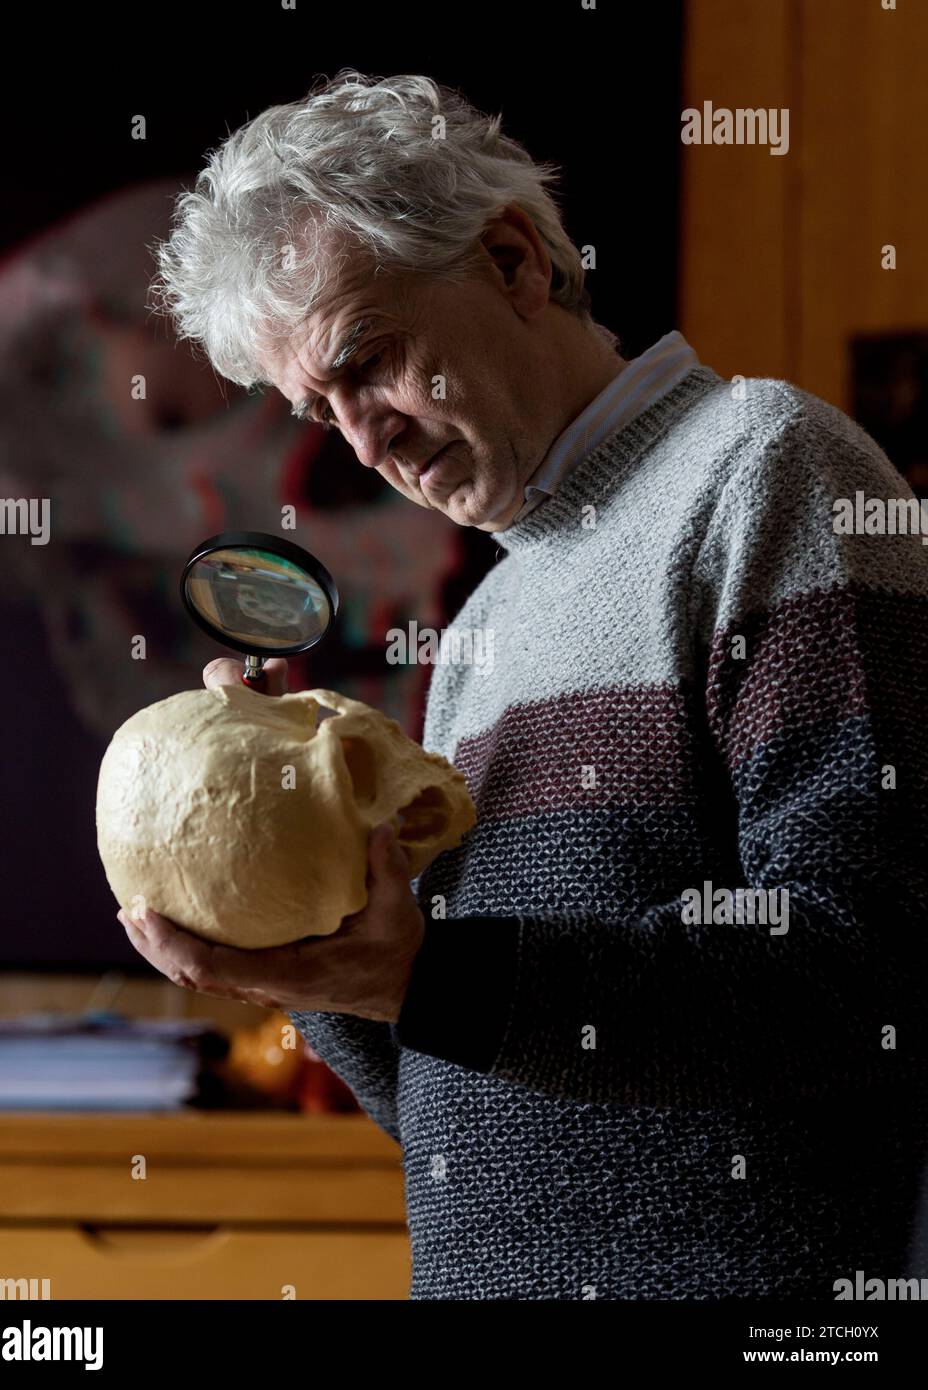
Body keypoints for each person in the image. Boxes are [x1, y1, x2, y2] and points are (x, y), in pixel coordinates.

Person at [127, 70, 928, 1300]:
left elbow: (853, 973)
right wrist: (301, 949)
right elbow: (460, 1095)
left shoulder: (767, 470)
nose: (362, 440)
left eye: (371, 358)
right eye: (317, 407)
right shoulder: (486, 620)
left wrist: (424, 978)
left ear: (513, 261)